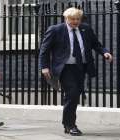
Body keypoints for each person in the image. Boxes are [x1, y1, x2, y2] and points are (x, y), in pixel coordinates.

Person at [39, 7, 112, 136]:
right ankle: (70, 125)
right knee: (72, 94)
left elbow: (96, 44)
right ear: (66, 18)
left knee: (74, 95)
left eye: (78, 19)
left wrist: (105, 52)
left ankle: (68, 124)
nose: (75, 21)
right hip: (65, 68)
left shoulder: (86, 29)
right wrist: (44, 67)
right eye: (72, 19)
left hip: (81, 67)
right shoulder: (56, 30)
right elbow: (44, 50)